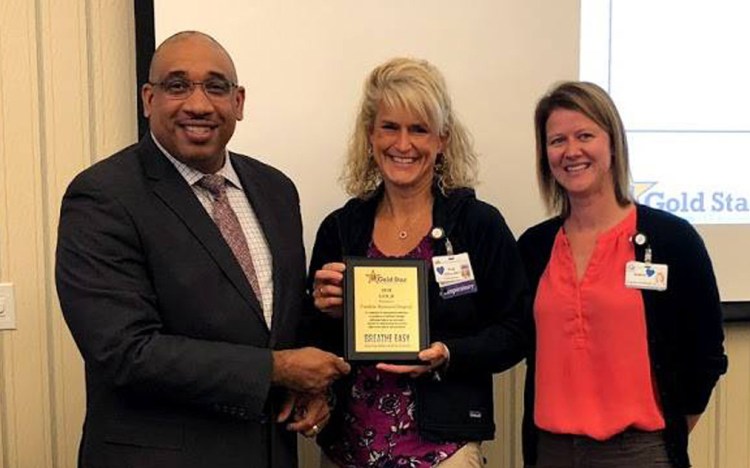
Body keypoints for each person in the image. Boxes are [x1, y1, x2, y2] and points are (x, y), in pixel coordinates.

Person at [55, 31, 350, 468]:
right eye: (177, 85)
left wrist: (318, 351)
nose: (199, 104)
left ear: (239, 101)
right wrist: (277, 369)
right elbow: (126, 352)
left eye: (216, 86)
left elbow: (271, 322)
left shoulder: (275, 189)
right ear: (148, 98)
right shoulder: (103, 196)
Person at [306, 57, 528, 467]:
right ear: (370, 136)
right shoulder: (340, 229)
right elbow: (315, 341)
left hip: (444, 452)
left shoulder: (477, 224)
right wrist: (325, 312)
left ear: (442, 139)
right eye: (390, 127)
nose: (403, 145)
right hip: (348, 451)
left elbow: (516, 331)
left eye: (419, 129)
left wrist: (450, 352)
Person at [517, 81, 728, 468]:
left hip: (640, 451)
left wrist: (669, 435)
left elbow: (707, 355)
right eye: (557, 140)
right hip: (551, 452)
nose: (571, 151)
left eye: (585, 136)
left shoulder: (673, 239)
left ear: (612, 143)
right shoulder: (534, 247)